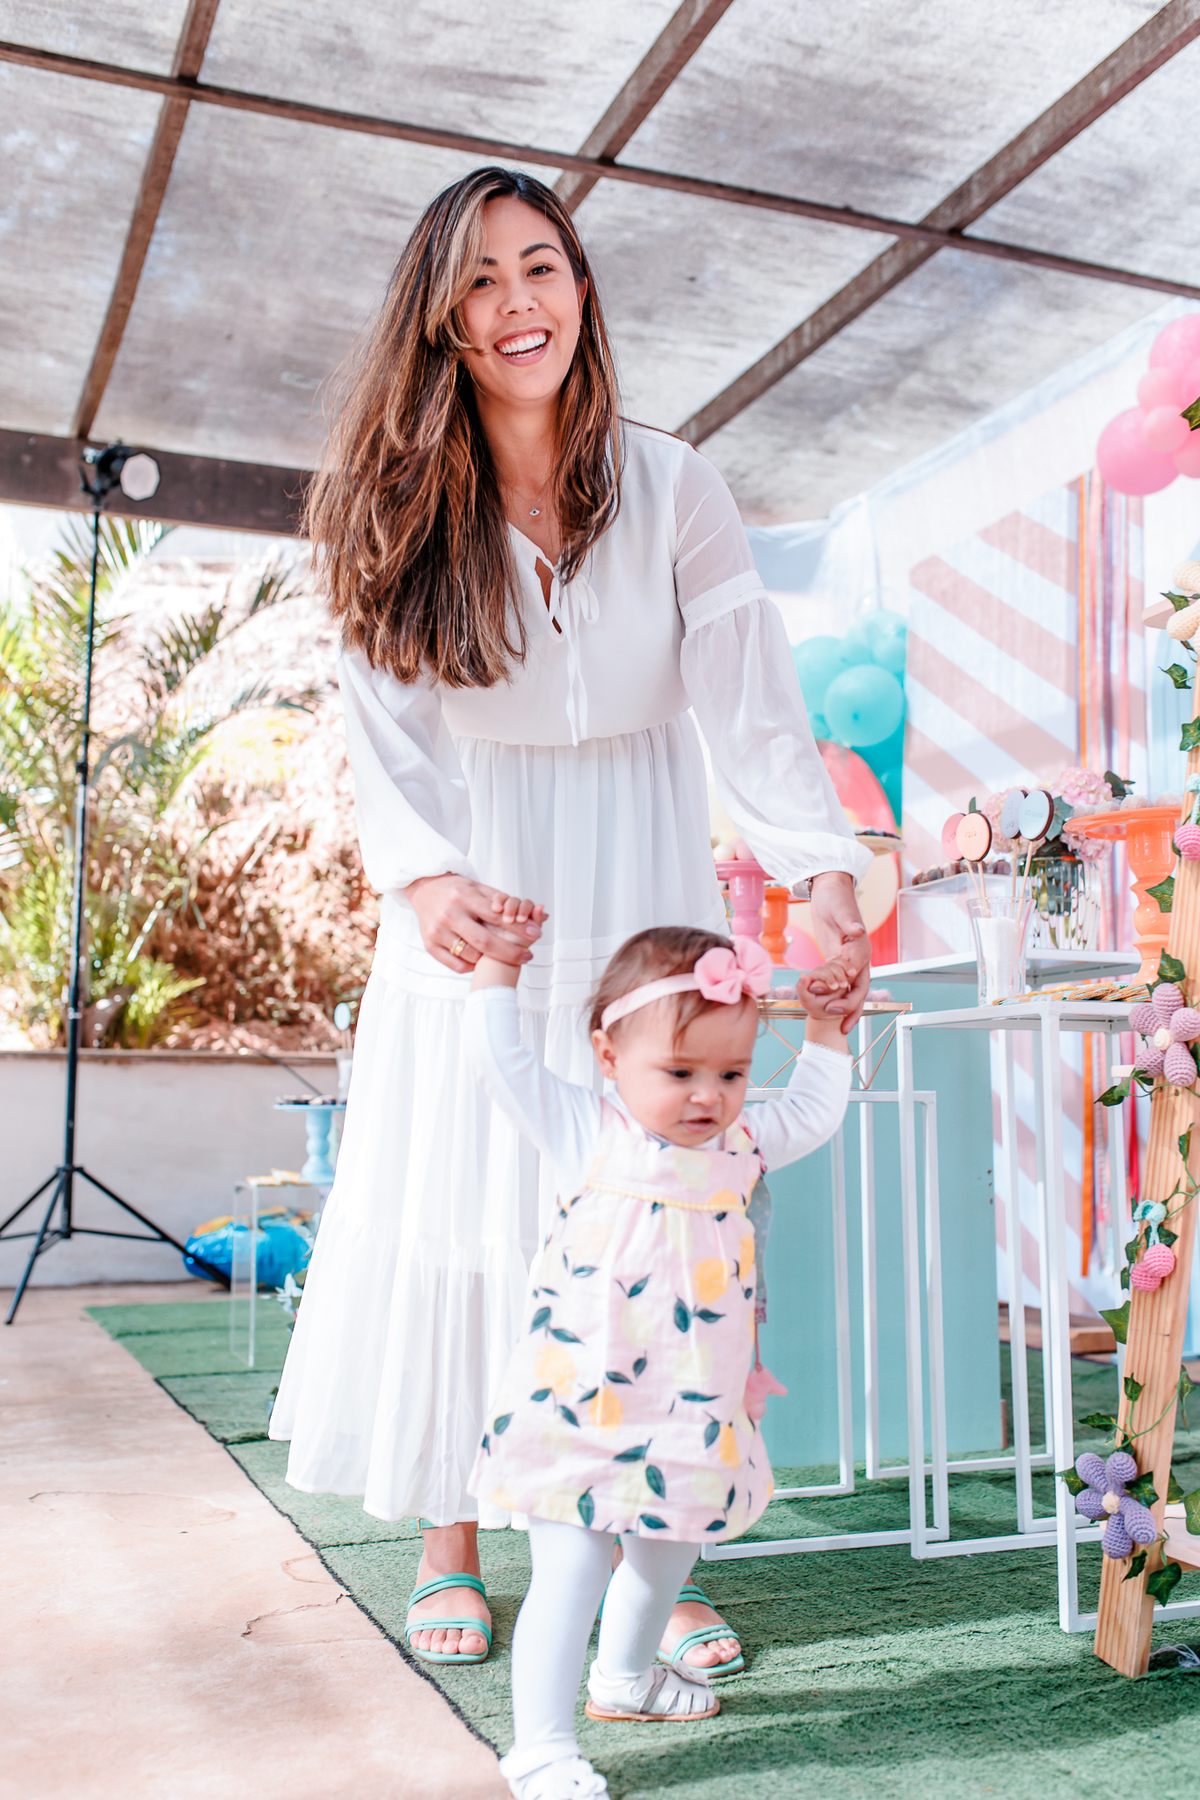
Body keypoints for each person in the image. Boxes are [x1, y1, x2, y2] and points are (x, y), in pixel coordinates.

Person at [268, 164, 872, 1673]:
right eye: (479, 279)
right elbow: (383, 728)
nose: (516, 301)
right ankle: (455, 1535)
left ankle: (654, 1536)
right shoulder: (395, 503)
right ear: (440, 318)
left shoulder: (673, 483)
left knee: (649, 1201)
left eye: (541, 266)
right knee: (475, 1184)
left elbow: (751, 705)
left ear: (582, 291)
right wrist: (424, 879)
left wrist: (824, 871)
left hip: (646, 856)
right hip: (482, 867)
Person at [465, 924, 852, 1800]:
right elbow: (501, 1062)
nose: (709, 1096)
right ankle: (540, 1749)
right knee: (573, 1567)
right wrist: (498, 967)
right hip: (579, 1406)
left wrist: (827, 1032)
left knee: (669, 1554)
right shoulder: (586, 1129)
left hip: (692, 1409)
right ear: (609, 1055)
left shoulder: (741, 1144)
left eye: (732, 1074)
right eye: (680, 1073)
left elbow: (813, 1113)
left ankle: (625, 1679)